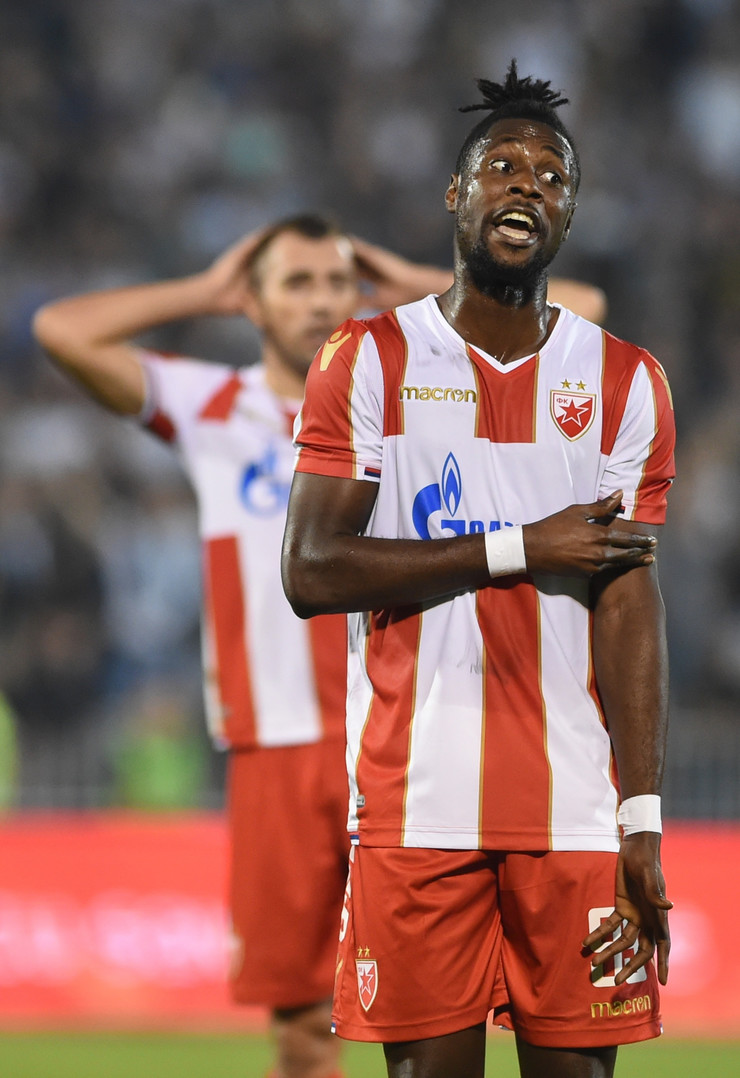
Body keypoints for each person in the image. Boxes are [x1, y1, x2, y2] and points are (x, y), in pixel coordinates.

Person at [282, 63, 674, 1078]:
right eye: (502, 166)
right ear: (455, 194)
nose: (526, 184)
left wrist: (640, 816)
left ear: (569, 215)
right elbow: (311, 572)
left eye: (552, 176)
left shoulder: (627, 380)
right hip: (415, 807)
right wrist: (518, 546)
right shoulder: (366, 359)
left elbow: (629, 601)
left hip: (576, 816)